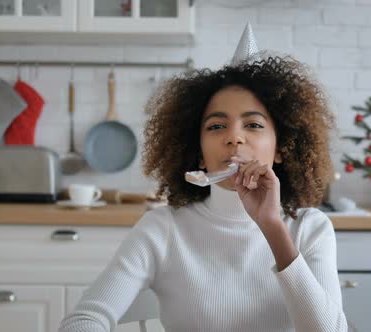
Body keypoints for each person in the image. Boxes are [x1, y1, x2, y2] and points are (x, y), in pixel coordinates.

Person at [58, 24, 347, 332]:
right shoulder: (163, 229)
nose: (234, 137)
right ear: (198, 153)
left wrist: (272, 226)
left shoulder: (310, 228)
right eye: (216, 127)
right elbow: (83, 320)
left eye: (253, 125)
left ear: (281, 148)